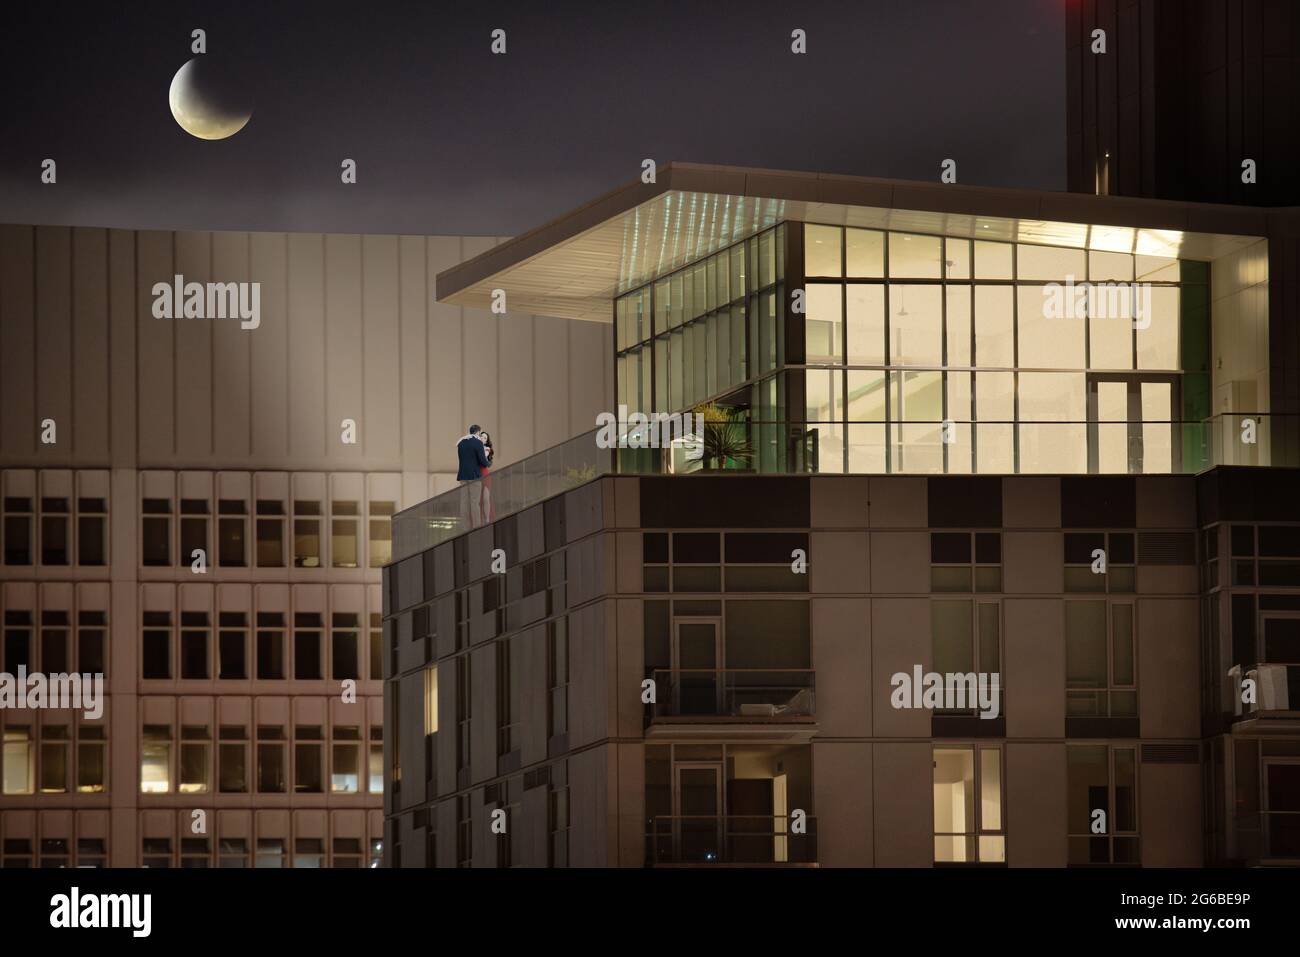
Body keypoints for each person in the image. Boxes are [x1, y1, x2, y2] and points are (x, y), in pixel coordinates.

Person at [456, 424, 491, 528]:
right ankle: (476, 526)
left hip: (462, 475)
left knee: (464, 502)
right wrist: (488, 463)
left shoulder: (461, 443)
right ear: (478, 432)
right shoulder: (477, 443)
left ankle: (465, 526)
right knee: (474, 502)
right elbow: (482, 460)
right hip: (474, 475)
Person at [478, 431, 495, 524]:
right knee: (478, 500)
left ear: (486, 441)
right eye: (481, 437)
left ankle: (487, 519)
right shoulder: (475, 448)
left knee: (486, 498)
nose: (483, 439)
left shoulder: (486, 449)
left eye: (485, 438)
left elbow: (482, 458)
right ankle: (479, 520)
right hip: (476, 475)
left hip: (484, 475)